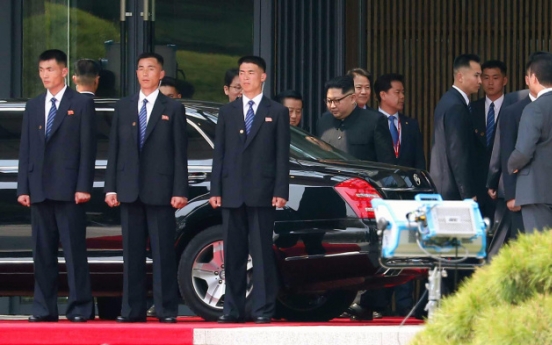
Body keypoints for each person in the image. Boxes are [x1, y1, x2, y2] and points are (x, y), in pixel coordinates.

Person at [104, 52, 189, 323]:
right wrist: (110, 188)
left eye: (151, 68)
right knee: (132, 255)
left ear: (161, 74)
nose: (145, 73)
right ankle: (132, 311)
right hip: (129, 190)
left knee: (163, 253)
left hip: (162, 190)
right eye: (140, 68)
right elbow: (114, 151)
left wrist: (180, 190)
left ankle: (166, 310)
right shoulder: (124, 106)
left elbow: (179, 153)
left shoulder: (173, 108)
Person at [17, 49, 96, 322]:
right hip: (39, 190)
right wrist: (23, 188)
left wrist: (84, 185)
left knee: (75, 253)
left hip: (70, 191)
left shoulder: (81, 103)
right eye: (41, 70)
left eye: (49, 69)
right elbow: (26, 149)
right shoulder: (34, 105)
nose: (44, 75)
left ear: (64, 72)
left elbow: (88, 149)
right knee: (42, 254)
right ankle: (44, 308)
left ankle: (80, 308)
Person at [210, 55, 290, 324]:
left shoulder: (277, 111)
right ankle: (231, 309)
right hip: (232, 192)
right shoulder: (228, 111)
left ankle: (263, 309)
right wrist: (215, 189)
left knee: (261, 255)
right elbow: (219, 154)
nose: (245, 78)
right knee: (232, 255)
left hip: (263, 192)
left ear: (263, 76)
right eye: (242, 73)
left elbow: (282, 155)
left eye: (251, 73)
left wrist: (281, 190)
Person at [486, 56, 544, 255]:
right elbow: (503, 150)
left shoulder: (528, 108)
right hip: (521, 194)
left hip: (538, 193)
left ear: (531, 78)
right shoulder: (513, 109)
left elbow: (515, 154)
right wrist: (508, 192)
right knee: (522, 247)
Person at [508, 52, 552, 233]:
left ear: (533, 77)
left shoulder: (534, 109)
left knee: (540, 249)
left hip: (536, 191)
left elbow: (523, 152)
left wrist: (512, 164)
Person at [430, 54, 482, 201]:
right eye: (476, 75)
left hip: (447, 186)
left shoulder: (449, 100)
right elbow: (458, 152)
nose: (480, 81)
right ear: (460, 77)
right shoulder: (456, 106)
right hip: (453, 191)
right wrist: (467, 194)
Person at [317, 75, 396, 164]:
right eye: (329, 101)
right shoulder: (324, 121)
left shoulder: (374, 121)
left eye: (337, 100)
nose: (332, 106)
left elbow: (387, 163)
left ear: (352, 98)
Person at [471, 60, 509, 222]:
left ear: (504, 80)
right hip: (477, 184)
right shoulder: (472, 109)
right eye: (486, 77)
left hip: (503, 184)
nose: (490, 82)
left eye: (495, 77)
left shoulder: (514, 107)